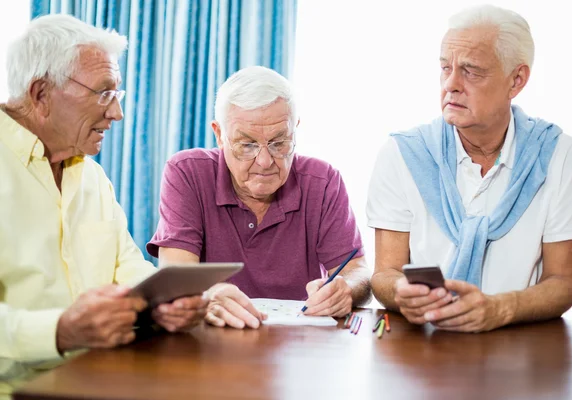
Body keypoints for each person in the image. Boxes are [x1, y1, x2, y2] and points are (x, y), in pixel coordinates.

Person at [0, 15, 207, 394]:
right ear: (41, 94)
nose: (117, 113)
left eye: (118, 95)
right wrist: (60, 330)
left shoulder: (92, 177)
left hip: (104, 379)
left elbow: (127, 268)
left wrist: (164, 303)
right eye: (104, 93)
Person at [367, 5, 572, 333]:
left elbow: (562, 282)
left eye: (471, 71)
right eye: (445, 67)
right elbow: (384, 274)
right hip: (423, 354)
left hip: (520, 352)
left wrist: (502, 308)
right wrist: (400, 292)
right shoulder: (402, 153)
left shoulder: (563, 156)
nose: (451, 84)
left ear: (516, 80)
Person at [147, 66, 371, 329]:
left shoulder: (323, 181)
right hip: (211, 342)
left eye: (279, 143)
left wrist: (346, 289)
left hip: (298, 344)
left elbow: (358, 273)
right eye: (247, 145)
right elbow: (177, 274)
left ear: (295, 130)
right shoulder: (187, 172)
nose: (265, 162)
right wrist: (210, 294)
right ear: (219, 135)